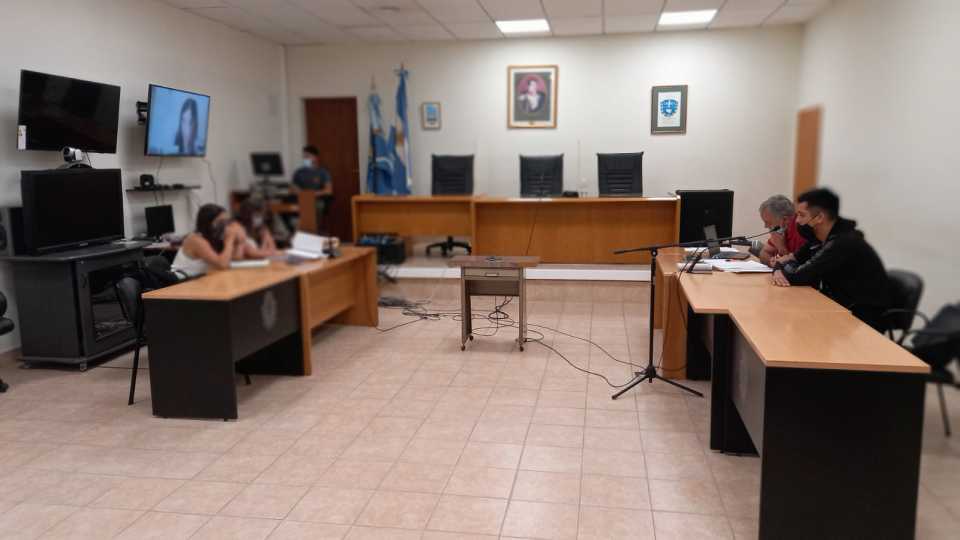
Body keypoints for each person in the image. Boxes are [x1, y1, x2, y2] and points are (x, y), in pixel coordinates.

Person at [772, 188, 890, 331]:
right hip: (839, 307)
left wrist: (779, 269)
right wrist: (778, 268)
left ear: (819, 218)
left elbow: (799, 276)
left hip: (862, 319)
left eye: (802, 215)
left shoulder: (843, 242)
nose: (797, 221)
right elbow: (790, 260)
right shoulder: (820, 238)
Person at [171, 204, 248, 277]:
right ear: (208, 222)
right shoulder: (196, 240)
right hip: (182, 281)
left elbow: (236, 258)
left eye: (227, 221)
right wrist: (230, 239)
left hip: (200, 278)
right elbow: (222, 265)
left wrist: (240, 241)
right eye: (221, 222)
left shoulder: (215, 236)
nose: (225, 225)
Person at [757, 195, 807, 266]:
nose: (766, 226)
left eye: (768, 222)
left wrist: (782, 248)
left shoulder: (802, 230)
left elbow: (799, 267)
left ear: (785, 219)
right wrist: (771, 262)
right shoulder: (781, 229)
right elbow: (764, 253)